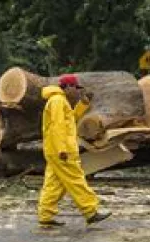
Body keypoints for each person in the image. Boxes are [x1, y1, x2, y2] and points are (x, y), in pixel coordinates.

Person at [38, 75, 111, 227]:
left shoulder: (58, 100)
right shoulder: (58, 101)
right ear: (68, 87)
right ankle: (91, 211)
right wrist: (62, 150)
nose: (77, 92)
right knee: (76, 180)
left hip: (54, 150)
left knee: (54, 184)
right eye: (76, 88)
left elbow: (70, 119)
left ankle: (45, 215)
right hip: (61, 150)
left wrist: (83, 104)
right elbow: (57, 127)